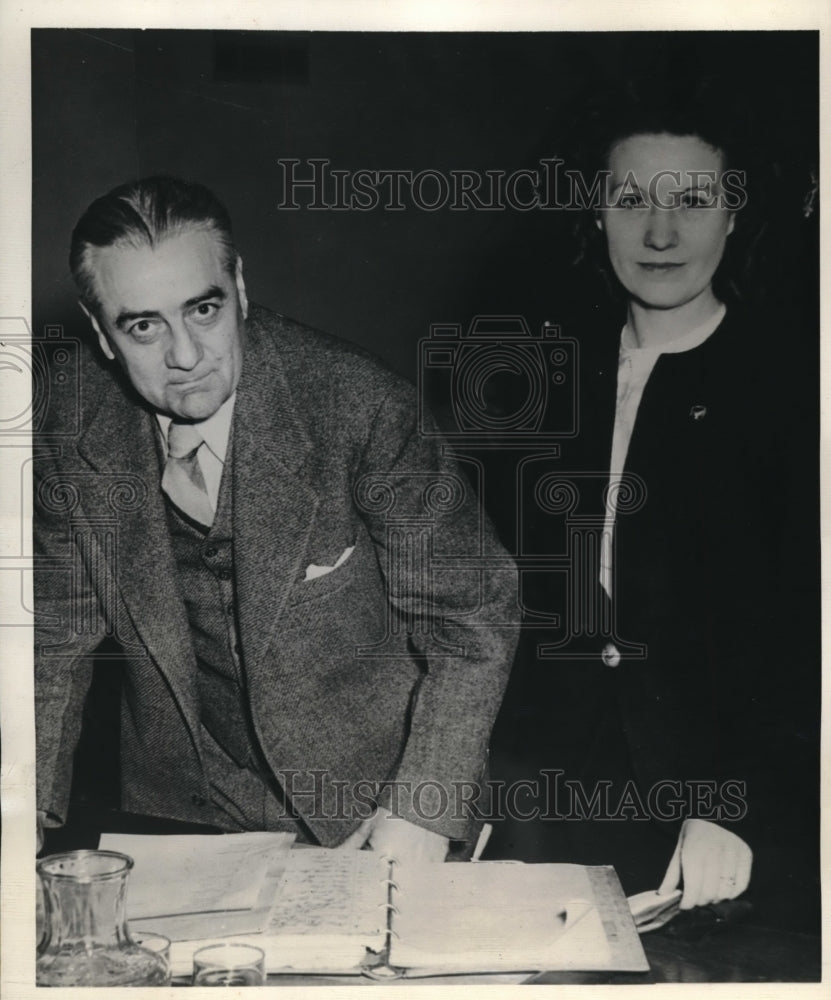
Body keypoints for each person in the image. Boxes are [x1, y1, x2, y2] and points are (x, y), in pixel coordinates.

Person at [34, 175, 519, 864]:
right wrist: (19, 808)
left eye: (203, 309)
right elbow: (51, 641)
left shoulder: (356, 404)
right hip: (183, 814)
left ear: (240, 285)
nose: (184, 355)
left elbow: (474, 614)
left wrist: (422, 810)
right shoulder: (67, 425)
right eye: (143, 325)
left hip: (375, 804)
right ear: (101, 334)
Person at [489, 82, 819, 925]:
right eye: (631, 199)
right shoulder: (546, 376)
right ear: (594, 215)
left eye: (693, 201)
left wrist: (731, 804)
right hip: (550, 800)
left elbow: (800, 641)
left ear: (736, 215)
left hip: (733, 828)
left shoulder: (794, 390)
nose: (660, 233)